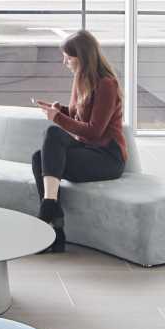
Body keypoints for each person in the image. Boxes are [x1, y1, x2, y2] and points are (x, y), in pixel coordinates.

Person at [32, 29, 126, 252]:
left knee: (53, 134)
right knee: (39, 158)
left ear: (83, 58)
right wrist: (60, 110)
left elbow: (94, 131)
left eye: (68, 57)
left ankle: (48, 209)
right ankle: (57, 230)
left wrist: (59, 119)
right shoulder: (81, 79)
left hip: (107, 157)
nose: (64, 61)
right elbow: (78, 117)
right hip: (87, 149)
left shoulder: (107, 84)